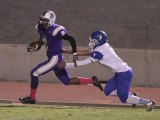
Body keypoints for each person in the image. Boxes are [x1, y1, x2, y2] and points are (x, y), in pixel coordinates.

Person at [58, 30, 156, 111]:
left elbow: (85, 62)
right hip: (119, 73)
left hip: (124, 73)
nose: (91, 42)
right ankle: (132, 96)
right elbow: (84, 52)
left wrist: (67, 65)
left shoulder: (100, 51)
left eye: (93, 40)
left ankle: (148, 102)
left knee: (124, 99)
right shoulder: (101, 46)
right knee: (107, 91)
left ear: (98, 41)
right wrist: (66, 50)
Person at [19, 10, 103, 104]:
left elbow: (71, 39)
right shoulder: (41, 28)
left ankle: (32, 98)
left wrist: (74, 53)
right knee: (67, 81)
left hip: (55, 58)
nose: (43, 22)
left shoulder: (57, 30)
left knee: (34, 73)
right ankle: (92, 80)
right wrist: (35, 47)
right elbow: (42, 41)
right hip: (56, 58)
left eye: (45, 20)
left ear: (51, 20)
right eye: (42, 20)